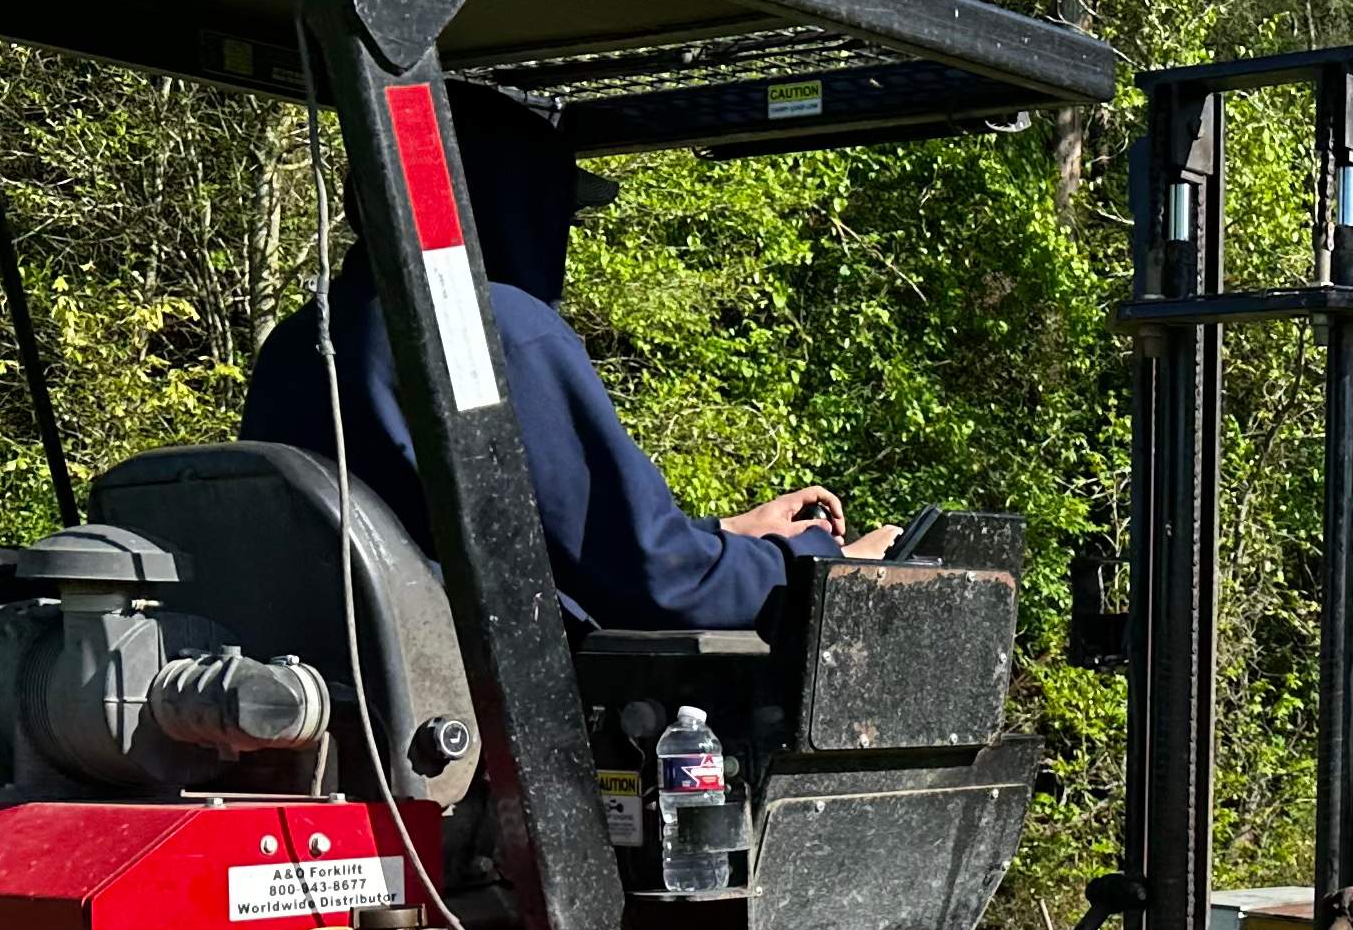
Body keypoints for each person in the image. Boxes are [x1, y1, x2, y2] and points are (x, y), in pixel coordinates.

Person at [242, 83, 892, 629]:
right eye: (560, 212)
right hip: (502, 714)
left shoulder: (299, 341)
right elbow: (658, 584)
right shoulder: (496, 330)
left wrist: (728, 533)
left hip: (361, 696)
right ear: (519, 204)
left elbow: (507, 538)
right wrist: (818, 564)